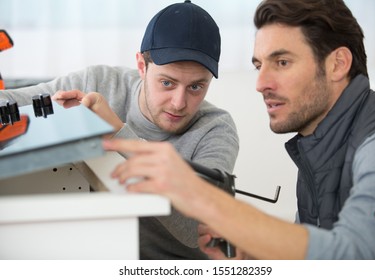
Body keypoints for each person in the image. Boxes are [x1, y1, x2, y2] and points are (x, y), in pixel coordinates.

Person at [102, 0, 375, 259]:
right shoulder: (316, 146)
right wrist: (257, 258)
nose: (261, 83)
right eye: (258, 66)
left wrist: (207, 201)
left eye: (282, 62)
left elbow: (360, 255)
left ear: (337, 64)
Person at [0, 1, 239, 259]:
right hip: (94, 254)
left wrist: (116, 131)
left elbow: (195, 228)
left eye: (196, 87)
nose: (179, 103)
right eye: (167, 83)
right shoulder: (98, 83)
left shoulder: (217, 130)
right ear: (141, 66)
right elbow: (9, 102)